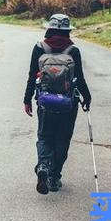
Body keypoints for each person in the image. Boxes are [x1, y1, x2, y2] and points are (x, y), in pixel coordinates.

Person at [23, 13, 91, 194]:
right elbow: (80, 79)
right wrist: (87, 98)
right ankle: (54, 178)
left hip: (45, 103)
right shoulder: (73, 51)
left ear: (49, 29)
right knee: (62, 139)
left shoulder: (39, 48)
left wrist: (27, 99)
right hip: (68, 104)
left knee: (45, 137)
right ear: (68, 31)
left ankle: (43, 166)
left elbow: (31, 76)